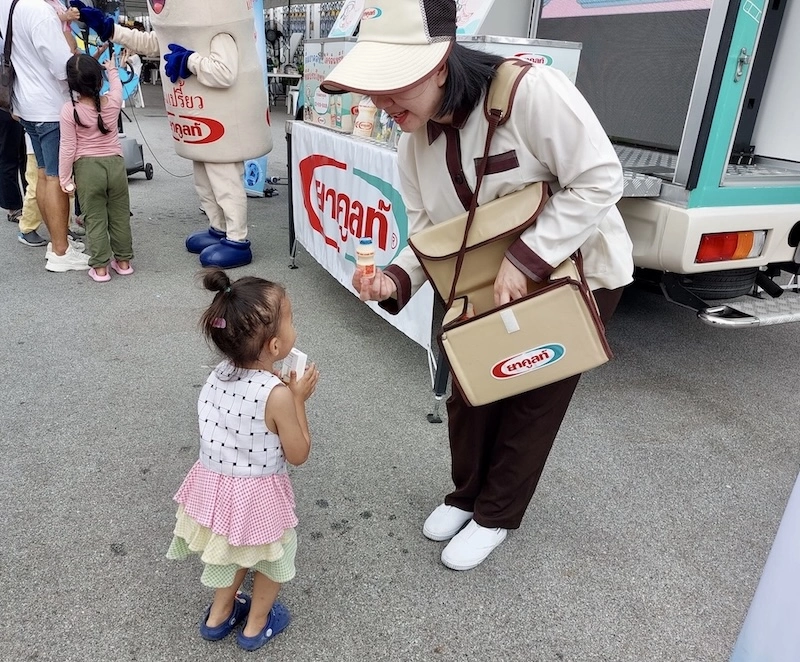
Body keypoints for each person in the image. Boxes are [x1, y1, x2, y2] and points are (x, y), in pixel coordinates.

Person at [321, 0, 634, 571]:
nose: (382, 106)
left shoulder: (530, 92)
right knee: (469, 391)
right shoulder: (412, 145)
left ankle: (495, 514)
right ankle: (465, 495)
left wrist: (528, 256)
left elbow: (598, 179)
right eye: (373, 92)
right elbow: (429, 237)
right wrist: (392, 279)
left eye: (394, 89)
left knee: (531, 398)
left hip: (572, 273)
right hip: (473, 278)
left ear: (441, 63)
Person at [166, 269, 320, 651]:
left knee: (232, 553)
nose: (294, 328)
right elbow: (299, 453)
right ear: (273, 346)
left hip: (216, 488)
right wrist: (297, 400)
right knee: (272, 557)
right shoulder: (278, 395)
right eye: (291, 321)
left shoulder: (218, 374)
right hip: (258, 497)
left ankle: (219, 616)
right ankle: (256, 624)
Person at [72, 0, 272, 269]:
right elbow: (154, 42)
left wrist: (190, 60)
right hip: (201, 119)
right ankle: (218, 228)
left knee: (225, 182)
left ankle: (237, 239)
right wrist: (110, 29)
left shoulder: (221, 31)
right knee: (204, 181)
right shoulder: (186, 29)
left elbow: (224, 73)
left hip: (223, 121)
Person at [0, 0, 89, 272]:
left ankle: (57, 242)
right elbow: (64, 68)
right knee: (56, 177)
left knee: (41, 174)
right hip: (51, 106)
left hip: (26, 103)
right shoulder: (40, 10)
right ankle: (61, 251)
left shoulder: (8, 4)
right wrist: (74, 49)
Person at [59, 53, 133, 282]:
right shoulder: (112, 102)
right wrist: (111, 68)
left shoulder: (70, 111)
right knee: (120, 215)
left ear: (71, 84)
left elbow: (68, 147)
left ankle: (100, 268)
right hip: (116, 165)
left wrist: (65, 179)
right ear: (99, 80)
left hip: (87, 168)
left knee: (95, 218)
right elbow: (118, 86)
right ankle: (123, 262)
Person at [0, 108, 25, 223]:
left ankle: (33, 205)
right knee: (8, 159)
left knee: (26, 158)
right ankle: (13, 207)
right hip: (6, 109)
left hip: (19, 108)